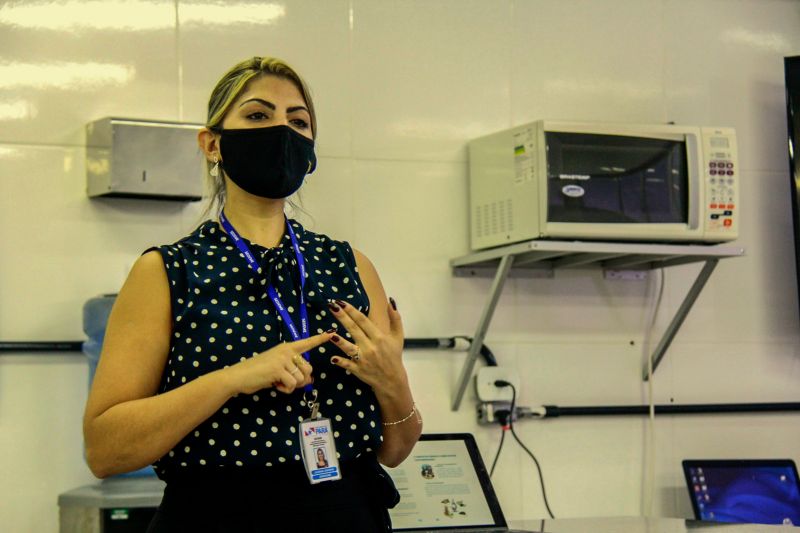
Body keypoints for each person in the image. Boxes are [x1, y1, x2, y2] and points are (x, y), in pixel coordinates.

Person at [83, 56, 422, 532]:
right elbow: (105, 450)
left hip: (349, 513)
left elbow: (396, 448)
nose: (281, 130)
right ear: (213, 144)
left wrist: (393, 381)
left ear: (311, 151)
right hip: (218, 517)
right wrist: (231, 378)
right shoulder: (167, 272)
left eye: (297, 121)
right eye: (258, 115)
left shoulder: (351, 266)